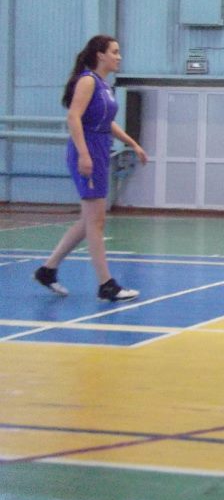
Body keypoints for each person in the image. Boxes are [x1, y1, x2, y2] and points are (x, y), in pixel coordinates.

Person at [33, 35, 148, 302]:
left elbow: (107, 122)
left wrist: (133, 143)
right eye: (114, 52)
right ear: (100, 55)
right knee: (96, 220)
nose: (119, 57)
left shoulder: (104, 85)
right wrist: (84, 154)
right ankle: (106, 284)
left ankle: (48, 270)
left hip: (99, 147)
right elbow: (73, 116)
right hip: (87, 149)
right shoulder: (88, 81)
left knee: (89, 220)